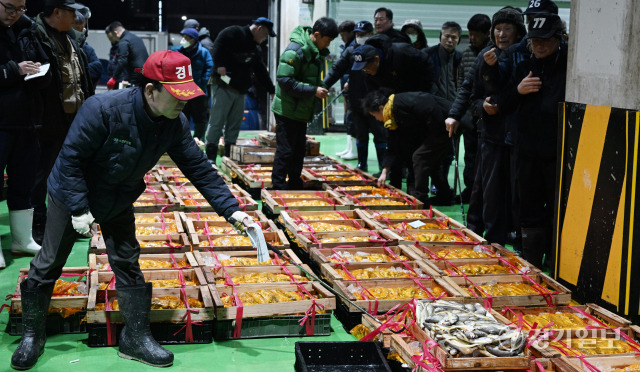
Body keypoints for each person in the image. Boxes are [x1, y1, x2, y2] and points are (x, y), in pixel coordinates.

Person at [10, 50, 257, 370]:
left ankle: (135, 337)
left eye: (187, 95)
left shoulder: (174, 122)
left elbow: (199, 168)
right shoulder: (102, 109)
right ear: (151, 90)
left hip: (119, 195)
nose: (184, 102)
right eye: (176, 95)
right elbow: (70, 161)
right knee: (49, 263)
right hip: (72, 195)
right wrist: (80, 208)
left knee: (127, 261)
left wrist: (231, 210)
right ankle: (33, 334)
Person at [488, 13, 567, 271]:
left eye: (545, 39)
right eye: (534, 40)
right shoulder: (522, 66)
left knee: (558, 210)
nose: (539, 45)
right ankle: (532, 265)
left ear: (558, 38)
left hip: (558, 153)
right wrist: (518, 91)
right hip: (526, 151)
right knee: (527, 207)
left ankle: (557, 265)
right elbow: (501, 103)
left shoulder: (569, 67)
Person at [30, 0, 95, 245]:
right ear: (56, 12)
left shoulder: (71, 37)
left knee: (71, 170)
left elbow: (82, 76)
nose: (76, 16)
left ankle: (70, 220)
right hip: (47, 121)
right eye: (71, 11)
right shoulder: (34, 35)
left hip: (74, 118)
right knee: (41, 176)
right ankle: (39, 226)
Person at [0, 0, 49, 268]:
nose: (14, 13)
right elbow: (14, 69)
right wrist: (14, 70)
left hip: (27, 122)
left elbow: (44, 62)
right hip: (2, 123)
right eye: (9, 6)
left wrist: (40, 73)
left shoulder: (28, 30)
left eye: (20, 8)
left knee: (24, 183)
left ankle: (21, 239)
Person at [352, 37, 435, 191]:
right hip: (394, 103)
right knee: (394, 138)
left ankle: (415, 190)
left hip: (417, 102)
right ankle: (394, 184)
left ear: (376, 60)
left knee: (414, 148)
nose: (366, 71)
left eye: (367, 67)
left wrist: (421, 94)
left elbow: (428, 64)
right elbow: (373, 94)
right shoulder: (368, 73)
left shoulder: (402, 53)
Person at [271, 17, 338, 190]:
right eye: (327, 40)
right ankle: (277, 186)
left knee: (299, 149)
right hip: (287, 110)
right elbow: (285, 81)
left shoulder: (315, 51)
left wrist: (320, 87)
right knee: (286, 150)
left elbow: (310, 79)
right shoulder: (295, 51)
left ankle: (294, 182)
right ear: (316, 35)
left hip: (300, 110)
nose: (328, 44)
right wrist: (313, 91)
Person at [205, 17, 276, 162]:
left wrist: (272, 89)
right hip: (222, 85)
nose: (265, 39)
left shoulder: (254, 49)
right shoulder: (233, 33)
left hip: (240, 89)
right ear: (259, 29)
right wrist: (219, 64)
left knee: (235, 123)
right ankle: (210, 156)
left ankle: (228, 155)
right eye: (266, 34)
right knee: (217, 121)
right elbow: (218, 45)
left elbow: (261, 71)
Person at [364, 89, 451, 206]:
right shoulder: (391, 116)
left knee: (420, 157)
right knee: (431, 161)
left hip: (443, 122)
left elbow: (429, 104)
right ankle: (445, 197)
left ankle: (421, 199)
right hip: (433, 127)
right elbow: (392, 145)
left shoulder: (399, 104)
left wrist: (435, 134)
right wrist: (385, 171)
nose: (376, 119)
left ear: (380, 108)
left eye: (374, 115)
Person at [324, 20, 385, 173]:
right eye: (357, 34)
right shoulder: (351, 51)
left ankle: (384, 168)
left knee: (380, 136)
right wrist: (324, 85)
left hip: (377, 102)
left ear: (371, 34)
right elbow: (337, 68)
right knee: (360, 134)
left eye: (363, 34)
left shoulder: (379, 49)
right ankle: (362, 164)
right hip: (357, 101)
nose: (359, 37)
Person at [425, 21, 463, 205]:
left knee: (450, 152)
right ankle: (434, 182)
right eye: (446, 36)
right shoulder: (428, 55)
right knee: (432, 150)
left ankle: (441, 183)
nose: (449, 40)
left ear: (458, 40)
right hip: (433, 111)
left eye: (453, 37)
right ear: (440, 36)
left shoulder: (461, 58)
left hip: (454, 112)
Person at [457, 13, 491, 203]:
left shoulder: (493, 52)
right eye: (470, 33)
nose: (472, 38)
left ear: (487, 33)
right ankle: (470, 190)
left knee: (484, 159)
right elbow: (462, 82)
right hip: (469, 115)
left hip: (487, 115)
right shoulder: (467, 52)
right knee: (469, 157)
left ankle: (484, 194)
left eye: (476, 34)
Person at [178, 27, 212, 141]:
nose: (183, 40)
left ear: (193, 40)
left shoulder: (203, 52)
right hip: (182, 91)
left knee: (200, 118)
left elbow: (209, 67)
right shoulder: (178, 51)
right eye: (183, 37)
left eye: (186, 38)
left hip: (199, 91)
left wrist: (202, 82)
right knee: (183, 116)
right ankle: (184, 140)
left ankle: (199, 140)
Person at [333, 20, 357, 160]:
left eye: (343, 34)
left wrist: (350, 81)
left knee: (351, 117)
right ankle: (349, 148)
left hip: (353, 86)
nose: (341, 37)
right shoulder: (346, 46)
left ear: (351, 33)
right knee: (346, 117)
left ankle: (354, 150)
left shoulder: (355, 47)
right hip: (346, 86)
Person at [105, 21, 149, 87]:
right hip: (144, 71)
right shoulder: (135, 38)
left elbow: (122, 60)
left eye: (112, 37)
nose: (114, 40)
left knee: (133, 93)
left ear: (116, 32)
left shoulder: (124, 41)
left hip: (136, 73)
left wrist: (114, 78)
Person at [72, 10, 101, 86]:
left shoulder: (86, 48)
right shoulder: (63, 45)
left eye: (83, 28)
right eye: (78, 28)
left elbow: (97, 67)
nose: (83, 31)